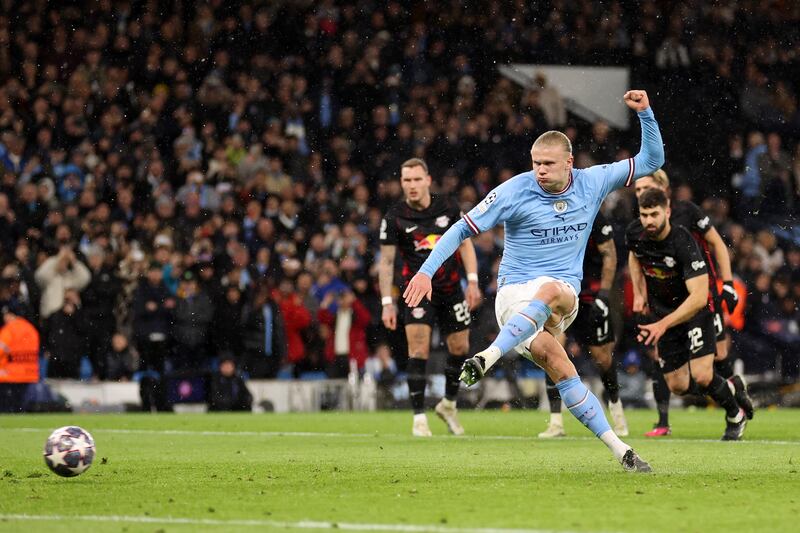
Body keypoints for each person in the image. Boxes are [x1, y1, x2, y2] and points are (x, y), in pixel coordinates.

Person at [404, 90, 662, 472]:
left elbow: (652, 160)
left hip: (560, 299)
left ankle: (489, 355)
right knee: (562, 365)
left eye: (548, 163)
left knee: (554, 291)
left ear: (569, 163)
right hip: (513, 296)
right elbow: (461, 230)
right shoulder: (513, 191)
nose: (540, 170)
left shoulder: (593, 181)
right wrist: (426, 271)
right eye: (535, 163)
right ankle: (621, 450)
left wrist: (646, 115)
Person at [633, 170, 753, 437]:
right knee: (679, 380)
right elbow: (635, 256)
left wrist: (728, 283)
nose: (641, 195)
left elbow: (718, 245)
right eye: (638, 192)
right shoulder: (641, 225)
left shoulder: (687, 214)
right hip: (665, 304)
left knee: (716, 360)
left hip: (702, 297)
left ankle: (732, 403)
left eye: (647, 189)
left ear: (663, 189)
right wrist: (640, 294)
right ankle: (727, 388)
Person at [379, 158, 481, 437]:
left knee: (460, 348)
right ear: (401, 183)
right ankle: (419, 418)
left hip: (450, 289)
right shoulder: (394, 217)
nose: (411, 185)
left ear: (427, 179)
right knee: (418, 350)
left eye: (415, 179)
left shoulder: (447, 207)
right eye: (406, 180)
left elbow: (466, 244)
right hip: (417, 292)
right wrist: (387, 302)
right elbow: (386, 262)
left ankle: (448, 404)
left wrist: (472, 281)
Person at [539, 211, 628, 438]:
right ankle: (556, 422)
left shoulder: (594, 215)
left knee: (603, 358)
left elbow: (610, 255)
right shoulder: (549, 215)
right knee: (551, 351)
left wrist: (605, 294)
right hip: (561, 293)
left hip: (590, 296)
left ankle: (616, 410)